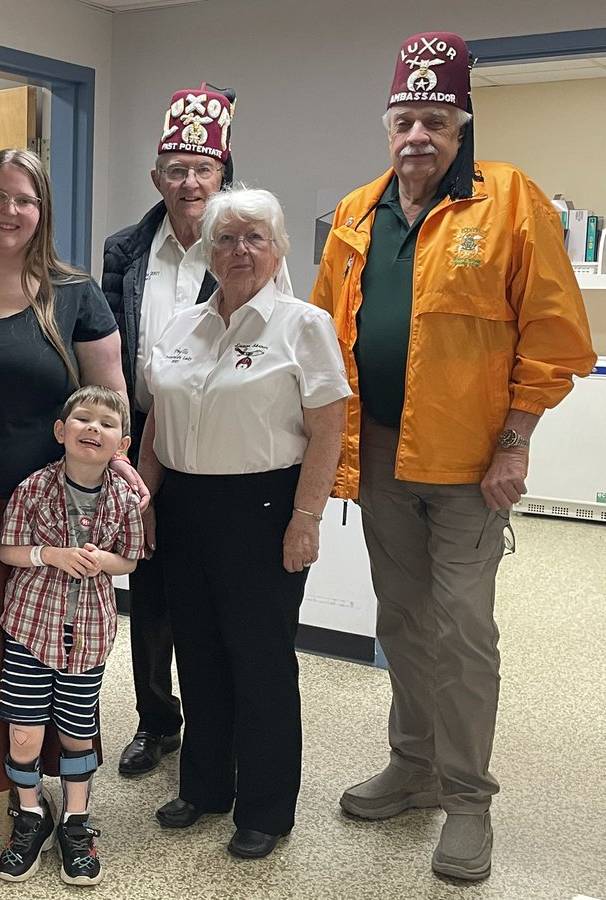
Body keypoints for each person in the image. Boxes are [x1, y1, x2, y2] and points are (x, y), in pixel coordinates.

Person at [311, 32, 595, 881]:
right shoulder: (357, 212)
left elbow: (550, 338)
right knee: (401, 621)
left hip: (474, 465)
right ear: (388, 125)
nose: (417, 137)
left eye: (435, 120)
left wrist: (516, 441)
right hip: (386, 457)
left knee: (464, 632)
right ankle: (415, 764)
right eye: (405, 120)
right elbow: (325, 335)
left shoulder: (512, 202)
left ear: (461, 124)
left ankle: (469, 800)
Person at [142, 186, 350, 858]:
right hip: (183, 507)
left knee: (259, 662)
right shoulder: (180, 326)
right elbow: (155, 427)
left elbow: (328, 429)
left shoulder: (302, 325)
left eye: (255, 237)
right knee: (197, 654)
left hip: (262, 509)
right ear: (207, 250)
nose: (240, 251)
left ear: (279, 247)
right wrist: (142, 504)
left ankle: (265, 807)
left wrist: (306, 517)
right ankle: (205, 787)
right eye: (226, 239)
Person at [0, 148, 133, 818]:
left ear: (42, 210)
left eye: (24, 199)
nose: (9, 211)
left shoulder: (76, 294)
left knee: (49, 646)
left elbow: (110, 403)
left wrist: (126, 496)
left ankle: (46, 771)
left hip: (55, 515)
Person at [103, 85, 292, 777]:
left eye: (202, 169)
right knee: (148, 592)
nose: (188, 182)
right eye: (176, 168)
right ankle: (158, 723)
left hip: (234, 442)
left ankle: (229, 724)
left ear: (223, 177)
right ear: (158, 178)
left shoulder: (245, 247)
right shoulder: (124, 249)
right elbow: (109, 344)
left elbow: (284, 341)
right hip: (148, 434)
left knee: (219, 600)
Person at [0, 385, 144, 887]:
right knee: (24, 731)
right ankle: (31, 815)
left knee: (78, 732)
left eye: (106, 423)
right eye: (82, 418)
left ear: (121, 444)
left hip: (89, 635)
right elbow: (7, 549)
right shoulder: (33, 488)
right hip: (30, 629)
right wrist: (50, 554)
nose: (92, 428)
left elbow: (130, 558)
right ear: (61, 431)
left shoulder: (124, 498)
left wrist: (104, 561)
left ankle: (76, 825)